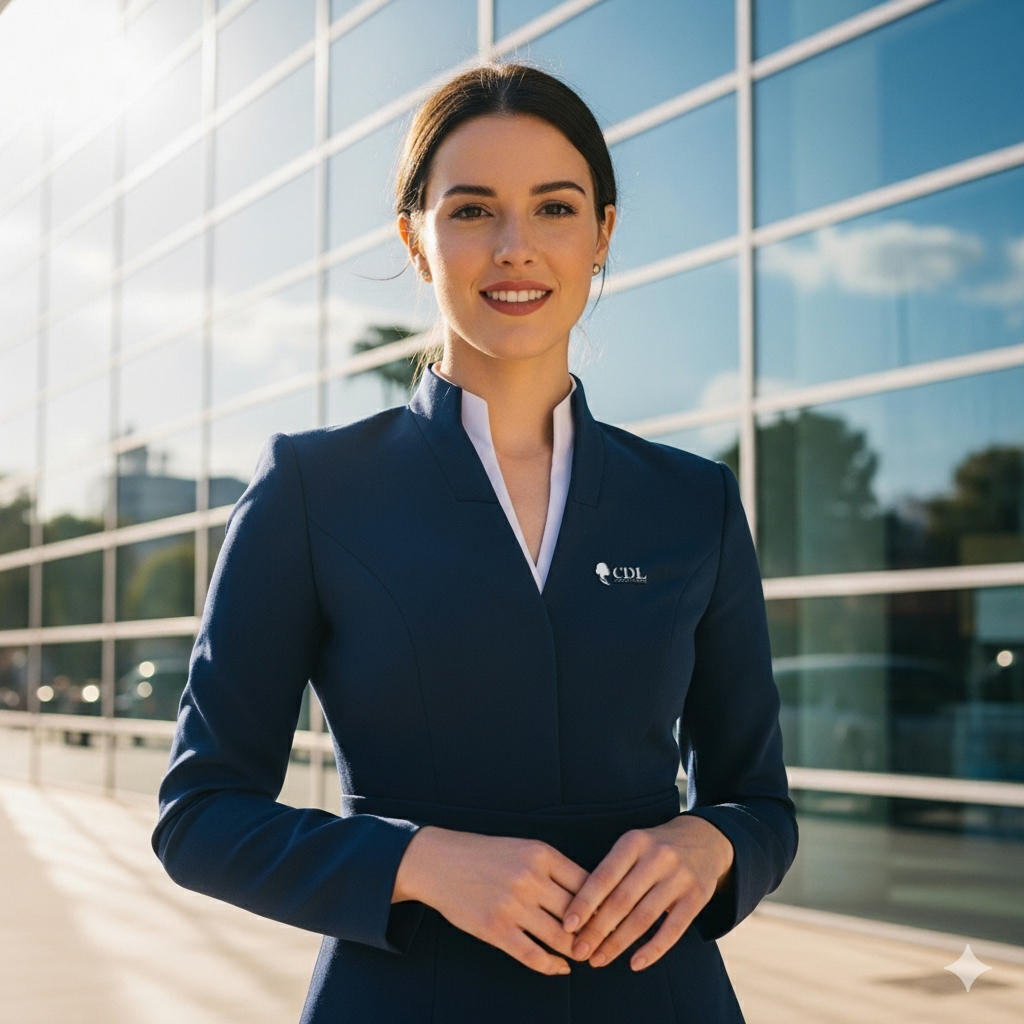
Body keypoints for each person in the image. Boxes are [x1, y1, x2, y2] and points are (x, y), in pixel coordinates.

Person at [152, 62, 797, 1024]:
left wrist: (713, 845)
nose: (515, 248)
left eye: (555, 208)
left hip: (663, 1001)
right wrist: (414, 860)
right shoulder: (312, 488)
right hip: (406, 994)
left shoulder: (693, 500)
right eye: (471, 211)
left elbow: (759, 801)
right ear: (416, 238)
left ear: (603, 235)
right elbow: (199, 816)